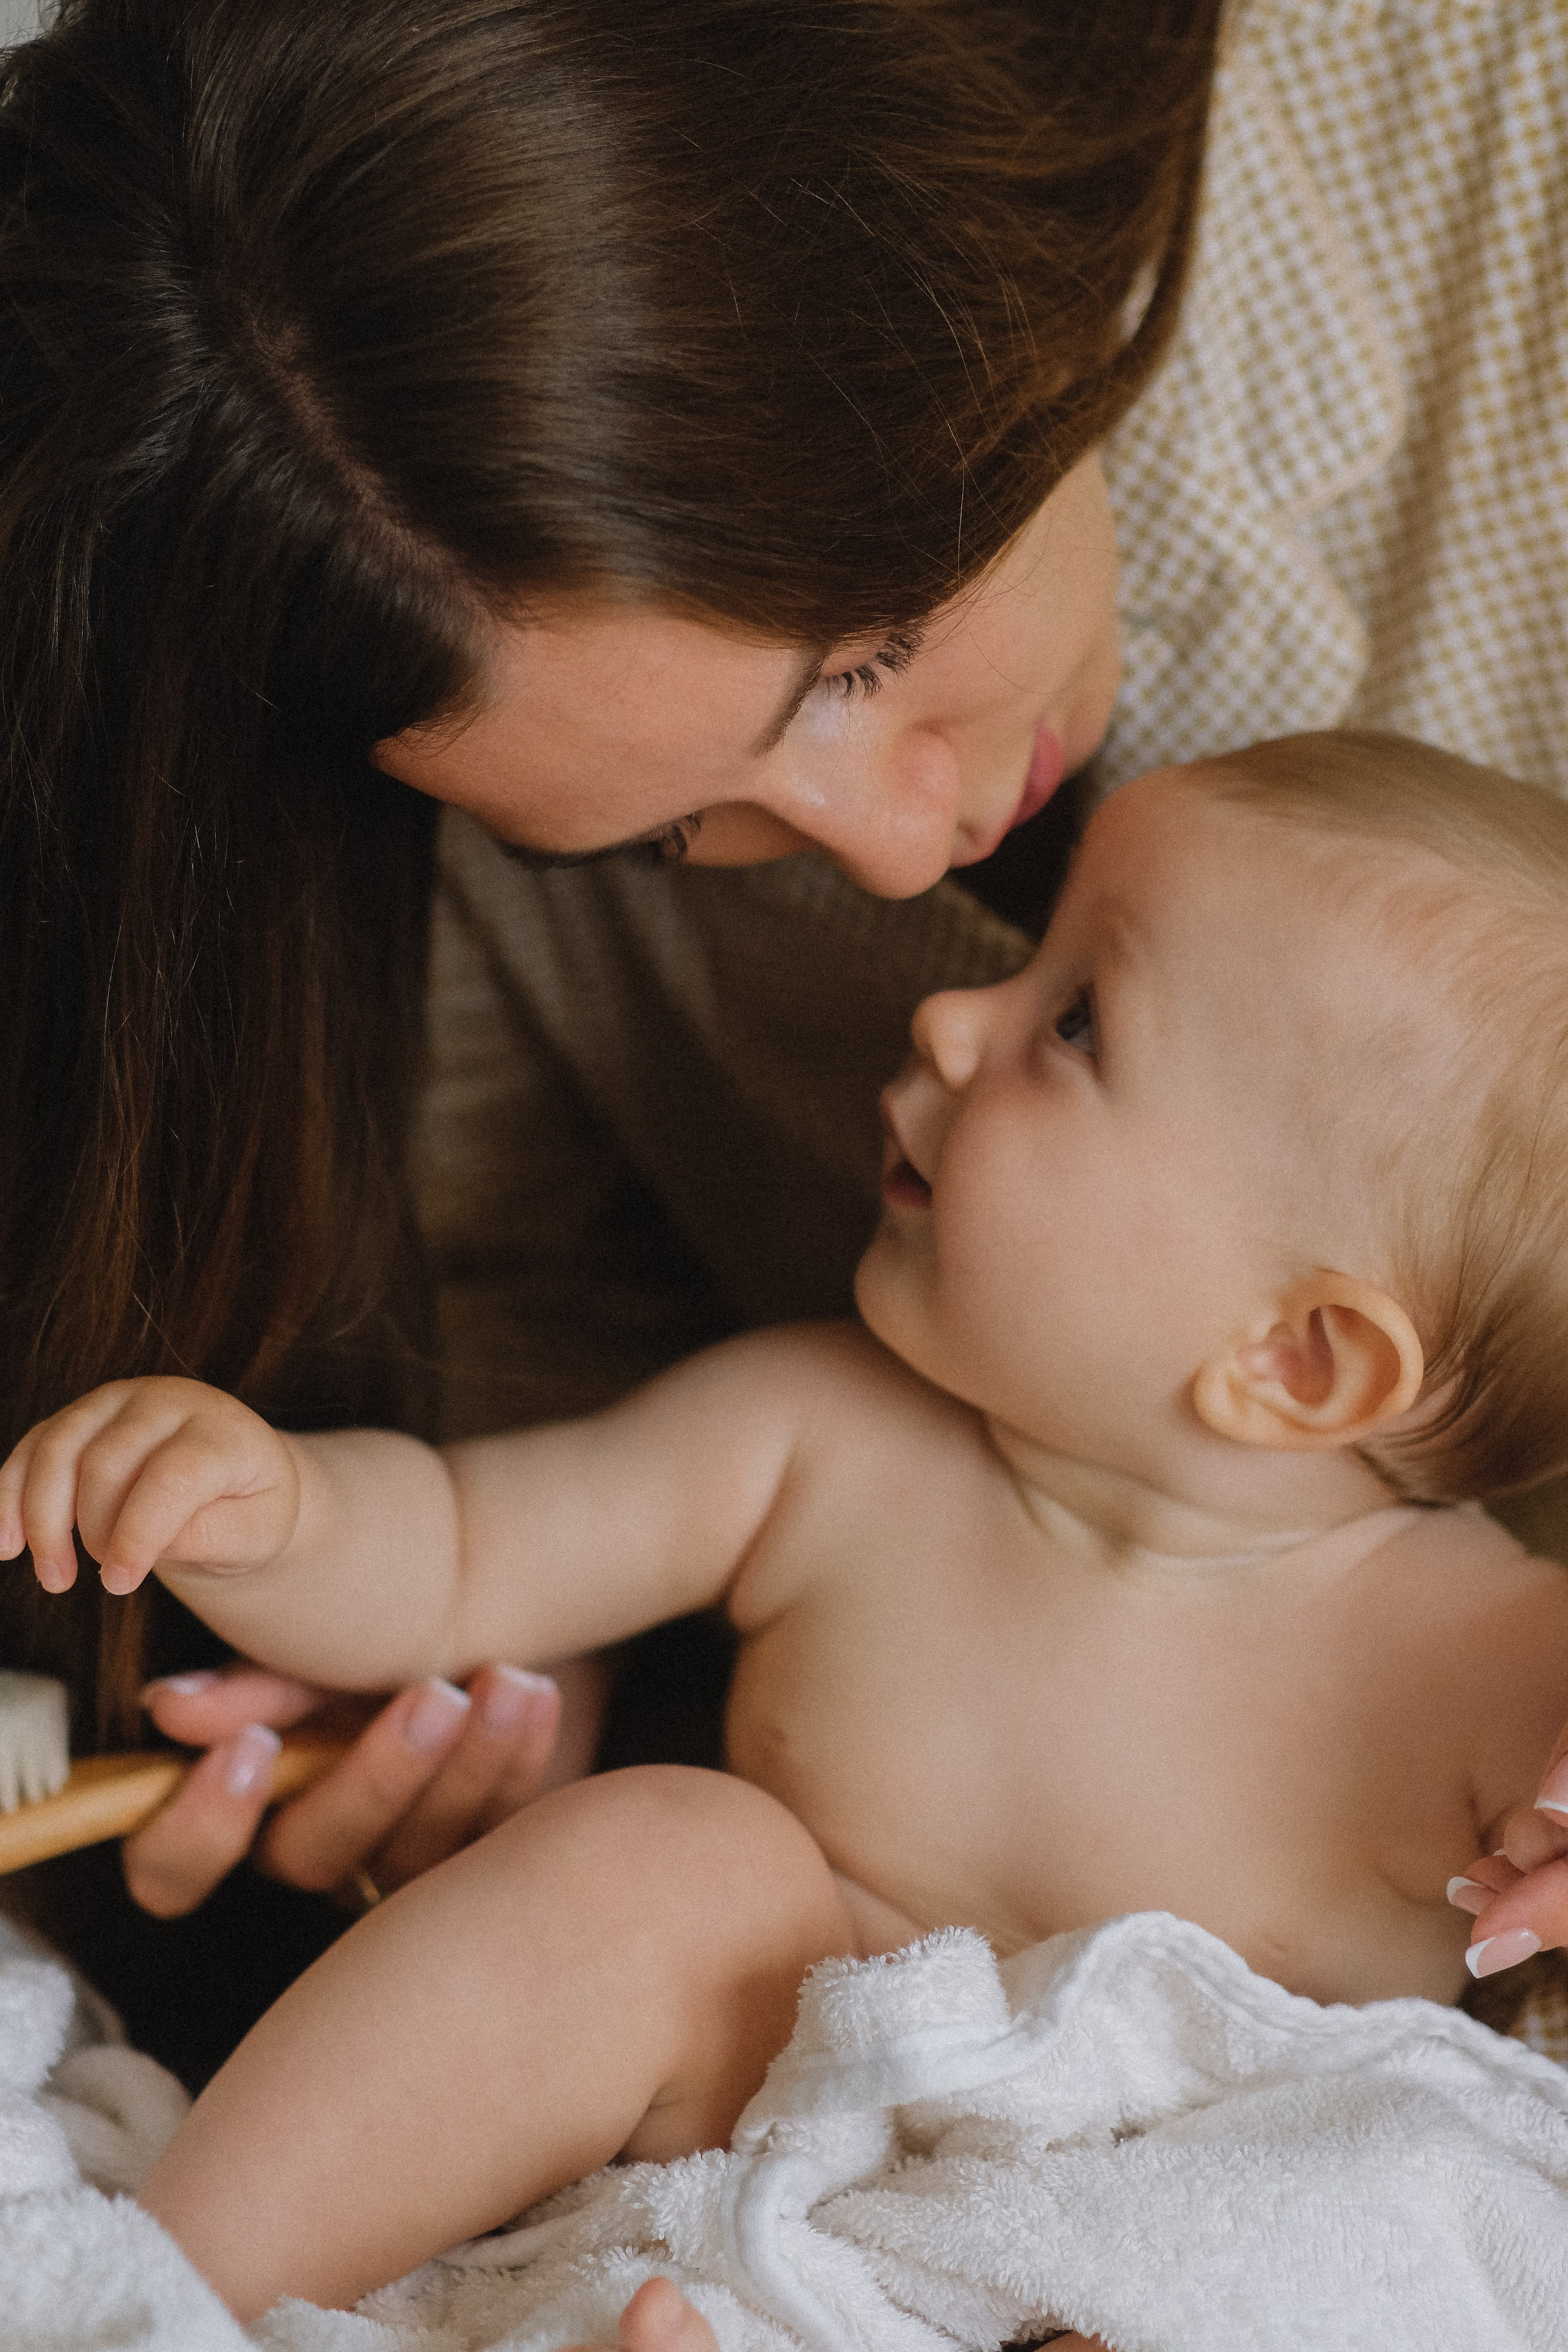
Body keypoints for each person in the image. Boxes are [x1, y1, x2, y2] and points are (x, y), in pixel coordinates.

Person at [3, 0, 1567, 2041]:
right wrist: (462, 1677)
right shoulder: (794, 1390)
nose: (897, 864)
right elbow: (513, 1437)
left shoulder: (1483, 181)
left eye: (874, 647)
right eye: (672, 837)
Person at [9, 729, 1568, 2327]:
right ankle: (156, 2297)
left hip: (1147, 2238)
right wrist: (270, 1512)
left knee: (1402, 2192)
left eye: (1077, 1023)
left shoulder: (1480, 1654)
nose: (953, 1015)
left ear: (1295, 1360)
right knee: (671, 1863)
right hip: (753, 2120)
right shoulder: (818, 1433)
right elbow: (470, 1555)